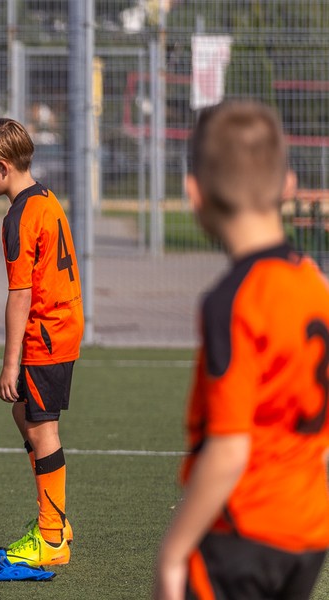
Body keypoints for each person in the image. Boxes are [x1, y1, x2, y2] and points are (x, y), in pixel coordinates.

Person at [155, 100, 329, 599]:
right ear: (289, 186)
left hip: (243, 530)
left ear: (195, 194)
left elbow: (230, 449)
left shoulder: (234, 300)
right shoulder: (315, 285)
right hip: (309, 529)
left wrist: (174, 550)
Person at [0, 117, 83, 567]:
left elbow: (20, 296)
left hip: (46, 331)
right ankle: (56, 520)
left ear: (1, 165)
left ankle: (51, 537)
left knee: (41, 427)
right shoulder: (46, 197)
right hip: (65, 322)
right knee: (26, 412)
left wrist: (9, 364)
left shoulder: (19, 216)